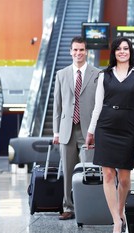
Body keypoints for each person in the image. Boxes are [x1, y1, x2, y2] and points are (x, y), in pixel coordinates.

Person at [85, 37, 134, 233]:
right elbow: (97, 106)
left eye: (126, 48)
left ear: (130, 51)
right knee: (108, 175)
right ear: (114, 52)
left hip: (128, 127)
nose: (122, 52)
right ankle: (116, 220)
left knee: (124, 177)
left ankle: (121, 210)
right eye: (119, 49)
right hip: (105, 126)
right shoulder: (104, 75)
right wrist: (91, 132)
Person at [53, 36, 99, 220]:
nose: (78, 53)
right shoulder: (61, 74)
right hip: (67, 130)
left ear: (86, 51)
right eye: (75, 50)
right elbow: (57, 105)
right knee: (68, 170)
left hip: (88, 130)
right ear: (70, 52)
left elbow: (99, 104)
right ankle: (68, 207)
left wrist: (96, 131)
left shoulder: (97, 74)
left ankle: (89, 205)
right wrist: (56, 131)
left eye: (81, 50)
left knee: (89, 170)